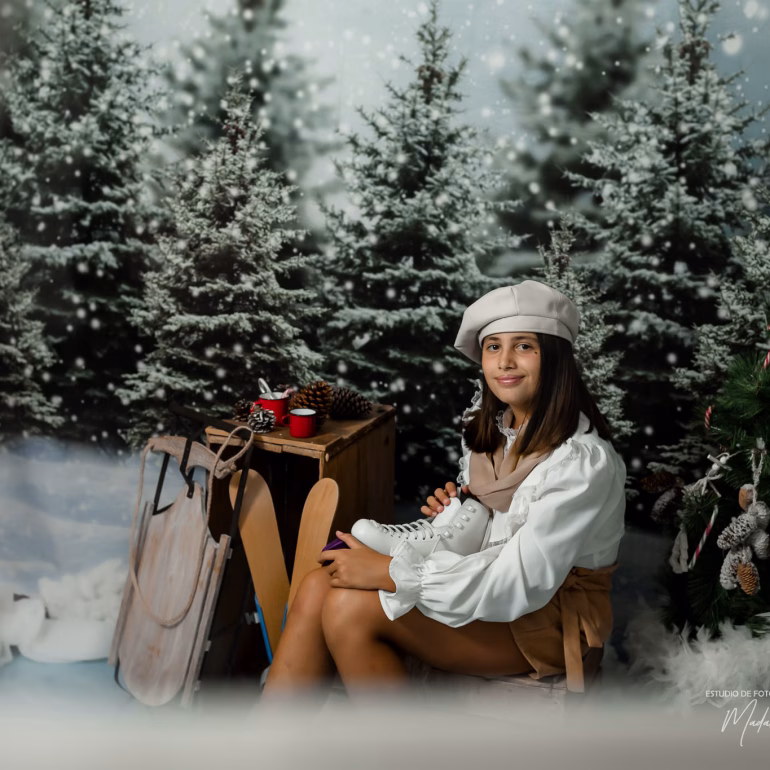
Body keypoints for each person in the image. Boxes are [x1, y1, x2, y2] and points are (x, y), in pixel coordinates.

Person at [262, 280, 626, 698]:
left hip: (545, 619)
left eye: (524, 346)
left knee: (350, 609)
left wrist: (391, 573)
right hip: (482, 585)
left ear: (556, 358)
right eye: (493, 347)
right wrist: (458, 514)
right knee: (317, 585)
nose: (505, 361)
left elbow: (519, 583)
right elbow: (491, 524)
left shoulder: (581, 462)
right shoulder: (493, 433)